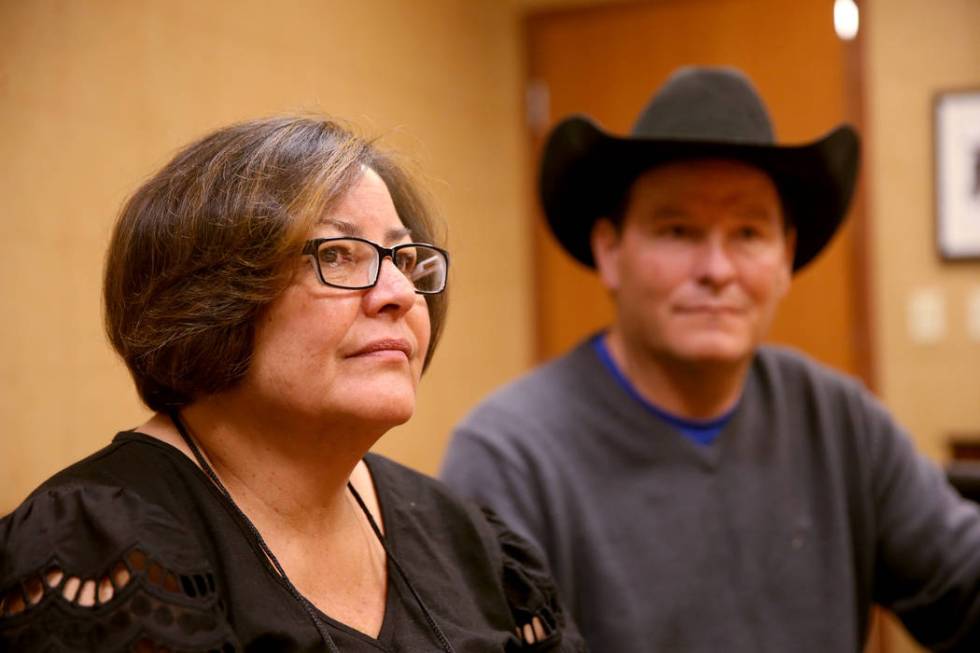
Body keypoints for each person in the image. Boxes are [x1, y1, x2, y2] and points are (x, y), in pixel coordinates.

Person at [441, 67, 980, 652]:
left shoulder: (839, 420)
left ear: (784, 259)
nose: (717, 271)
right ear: (610, 250)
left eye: (748, 234)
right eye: (677, 231)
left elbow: (963, 589)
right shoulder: (511, 456)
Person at [0, 116, 586, 652]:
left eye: (405, 260)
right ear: (211, 295)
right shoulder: (96, 547)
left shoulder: (468, 539)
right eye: (338, 253)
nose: (401, 294)